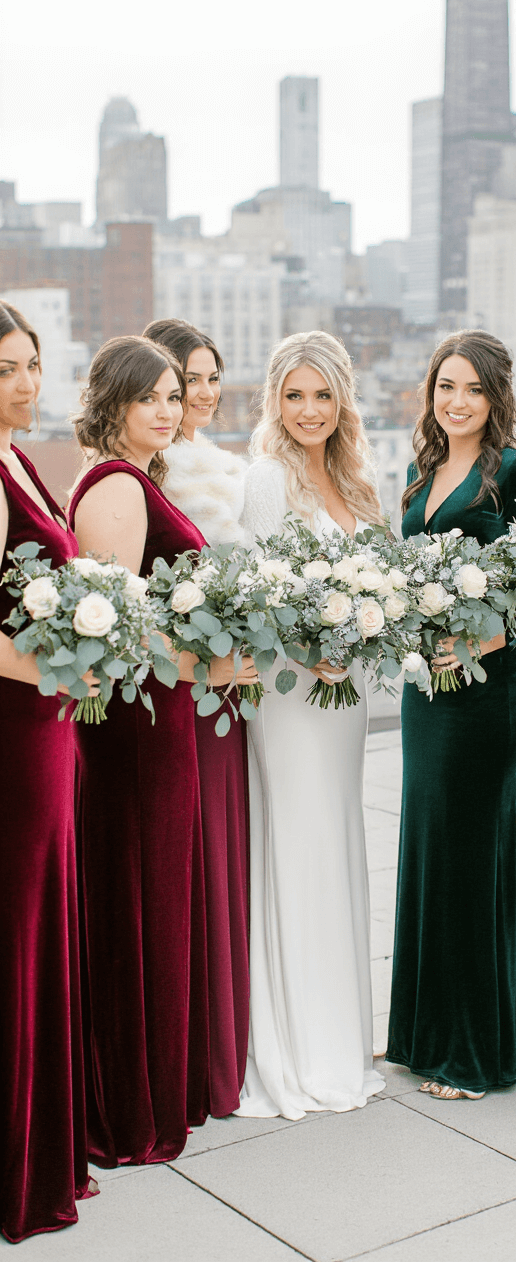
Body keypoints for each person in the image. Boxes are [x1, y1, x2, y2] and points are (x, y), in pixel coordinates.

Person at [68, 335, 239, 1166]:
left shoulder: (142, 480)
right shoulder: (115, 488)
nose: (170, 411)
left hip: (163, 724)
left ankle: (154, 1087)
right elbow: (115, 637)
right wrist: (211, 662)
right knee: (138, 898)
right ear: (115, 403)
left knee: (157, 900)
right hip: (137, 733)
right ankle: (127, 1106)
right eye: (154, 398)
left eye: (177, 396)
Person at [386, 330, 516, 1100]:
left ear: (496, 397)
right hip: (427, 693)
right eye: (446, 387)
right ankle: (426, 1037)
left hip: (486, 695)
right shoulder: (422, 472)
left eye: (474, 390)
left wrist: (489, 630)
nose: (457, 402)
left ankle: (475, 1053)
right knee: (430, 852)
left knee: (469, 860)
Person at [235, 330, 386, 1120]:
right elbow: (256, 594)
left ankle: (342, 1037)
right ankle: (295, 1047)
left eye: (322, 395)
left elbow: (382, 582)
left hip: (348, 690)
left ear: (342, 400)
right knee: (297, 842)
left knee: (338, 838)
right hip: (291, 694)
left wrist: (362, 630)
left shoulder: (356, 482)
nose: (308, 410)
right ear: (275, 399)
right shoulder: (266, 479)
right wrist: (305, 645)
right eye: (293, 395)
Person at [0, 301, 97, 1241]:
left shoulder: (19, 457)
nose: (25, 383)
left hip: (48, 721)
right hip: (16, 731)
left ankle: (39, 1146)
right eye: (5, 369)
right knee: (18, 934)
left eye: (31, 364)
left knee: (38, 927)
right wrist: (66, 665)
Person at [145, 317, 252, 1118]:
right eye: (187, 382)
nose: (202, 396)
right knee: (188, 861)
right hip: (178, 689)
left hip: (228, 686)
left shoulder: (226, 467)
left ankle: (219, 1042)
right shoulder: (144, 476)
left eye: (212, 380)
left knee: (223, 853)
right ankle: (186, 1054)